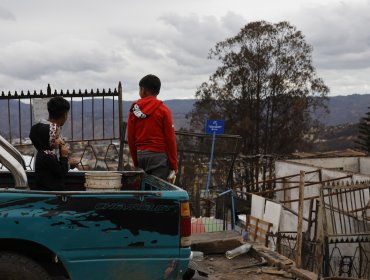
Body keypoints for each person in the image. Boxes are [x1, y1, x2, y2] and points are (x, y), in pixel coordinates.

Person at [127, 74, 178, 181]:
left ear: (143, 90)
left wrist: (136, 160)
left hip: (141, 156)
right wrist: (174, 164)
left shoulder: (134, 110)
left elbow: (130, 138)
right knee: (158, 192)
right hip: (159, 158)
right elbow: (170, 139)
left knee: (146, 188)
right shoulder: (164, 111)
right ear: (157, 92)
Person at [29, 96, 77, 190]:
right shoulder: (49, 133)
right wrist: (66, 161)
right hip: (52, 190)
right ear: (65, 114)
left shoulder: (42, 131)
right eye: (56, 138)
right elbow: (58, 171)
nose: (58, 141)